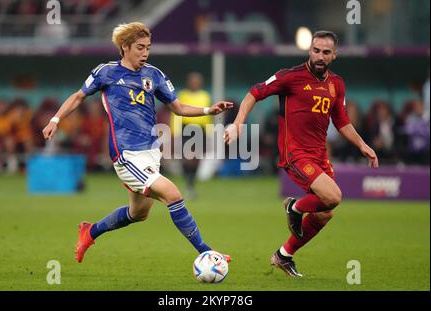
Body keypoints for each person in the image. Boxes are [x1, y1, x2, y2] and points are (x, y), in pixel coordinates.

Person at [42, 22, 233, 263]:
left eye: (148, 48)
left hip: (151, 152)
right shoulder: (106, 72)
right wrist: (55, 119)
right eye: (140, 48)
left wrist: (209, 109)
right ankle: (207, 252)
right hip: (126, 154)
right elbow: (78, 97)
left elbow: (178, 107)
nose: (145, 53)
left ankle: (90, 232)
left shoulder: (155, 75)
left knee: (138, 213)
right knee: (173, 194)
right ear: (124, 47)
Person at [224, 30, 378, 277]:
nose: (320, 56)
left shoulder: (336, 84)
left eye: (326, 52)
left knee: (325, 211)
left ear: (334, 55)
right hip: (295, 153)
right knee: (334, 196)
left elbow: (341, 121)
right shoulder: (290, 77)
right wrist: (238, 123)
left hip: (319, 156)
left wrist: (362, 145)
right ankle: (294, 207)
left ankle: (284, 255)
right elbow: (254, 92)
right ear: (310, 50)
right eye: (316, 50)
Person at [171, 72, 213, 199]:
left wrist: (210, 132)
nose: (195, 84)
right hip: (187, 128)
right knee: (189, 158)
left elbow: (208, 115)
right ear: (188, 83)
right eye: (193, 81)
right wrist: (174, 130)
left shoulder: (205, 96)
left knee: (197, 158)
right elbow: (176, 112)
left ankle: (191, 183)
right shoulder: (182, 95)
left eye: (197, 82)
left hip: (201, 129)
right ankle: (189, 183)